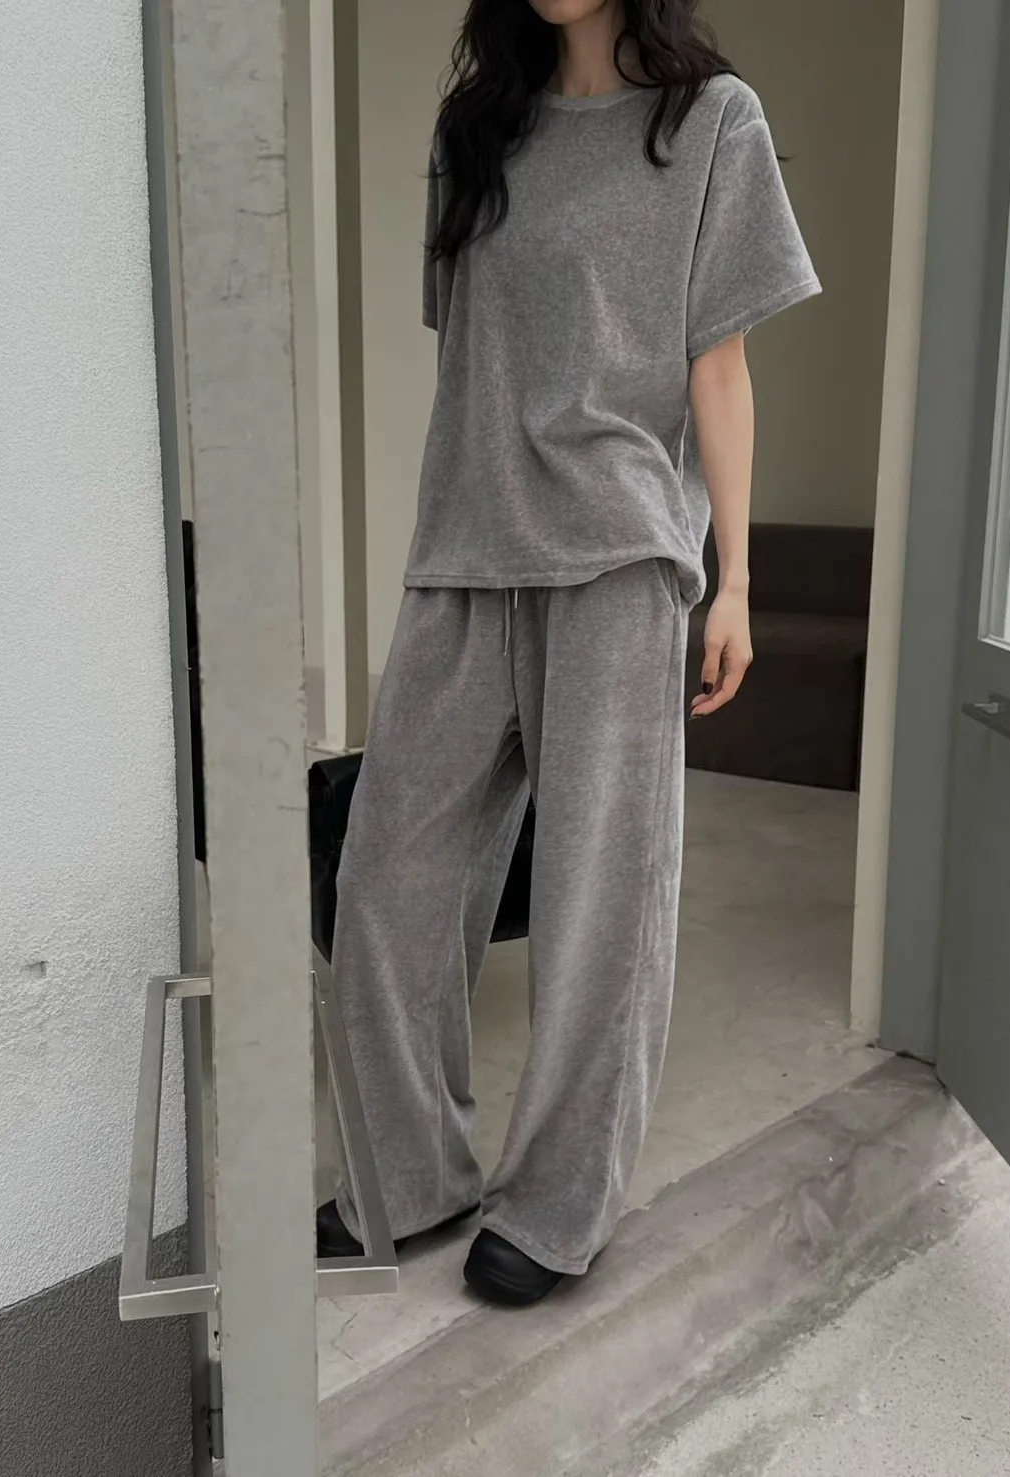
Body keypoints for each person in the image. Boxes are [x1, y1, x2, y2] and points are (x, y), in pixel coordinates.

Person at [317, 0, 819, 1306]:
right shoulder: (474, 130)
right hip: (463, 551)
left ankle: (556, 1207)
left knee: (603, 906)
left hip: (617, 559)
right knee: (386, 878)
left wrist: (733, 580)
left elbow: (720, 368)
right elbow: (479, 355)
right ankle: (403, 1177)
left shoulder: (712, 124)